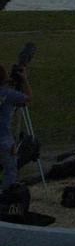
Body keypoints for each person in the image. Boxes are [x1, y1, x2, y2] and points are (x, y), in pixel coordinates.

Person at [0, 63, 32, 194]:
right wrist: (24, 79)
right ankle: (6, 198)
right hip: (4, 138)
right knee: (10, 170)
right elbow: (28, 98)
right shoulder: (8, 94)